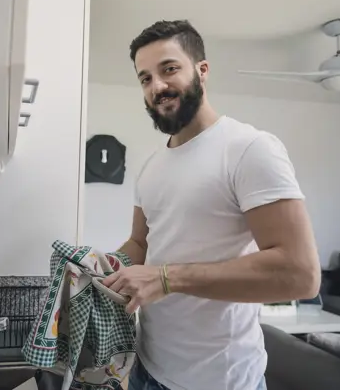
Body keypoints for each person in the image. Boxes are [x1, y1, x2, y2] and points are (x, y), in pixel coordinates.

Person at [102, 20, 321, 390]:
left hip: (221, 380)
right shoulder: (150, 166)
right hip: (146, 369)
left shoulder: (250, 149)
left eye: (169, 69)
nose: (157, 86)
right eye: (145, 78)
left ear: (202, 71)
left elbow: (301, 274)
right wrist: (104, 266)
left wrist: (167, 278)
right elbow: (140, 244)